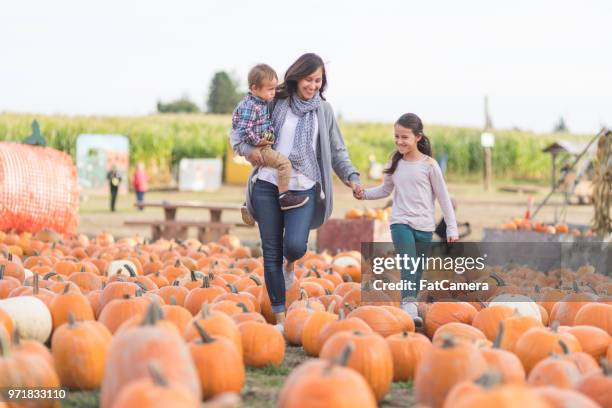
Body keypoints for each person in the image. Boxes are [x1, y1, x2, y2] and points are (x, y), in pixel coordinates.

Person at [230, 53, 362, 332]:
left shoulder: (323, 111)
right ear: (296, 76)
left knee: (295, 246)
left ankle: (291, 263)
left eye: (318, 81)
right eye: (308, 79)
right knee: (271, 252)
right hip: (267, 182)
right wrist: (250, 152)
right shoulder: (275, 100)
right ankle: (279, 317)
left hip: (304, 186)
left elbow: (337, 150)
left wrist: (351, 176)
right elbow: (239, 132)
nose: (313, 85)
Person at [354, 113, 458, 325]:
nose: (399, 141)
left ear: (418, 137)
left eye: (404, 137)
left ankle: (408, 307)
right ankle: (408, 305)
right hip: (400, 222)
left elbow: (444, 198)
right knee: (408, 264)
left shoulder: (430, 165)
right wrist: (364, 193)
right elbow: (385, 190)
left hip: (425, 226)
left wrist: (451, 228)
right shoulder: (396, 162)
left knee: (417, 269)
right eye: (396, 136)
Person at [233, 64, 308, 225]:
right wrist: (257, 142)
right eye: (270, 89)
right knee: (284, 164)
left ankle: (249, 203)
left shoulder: (261, 102)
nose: (273, 93)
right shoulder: (250, 106)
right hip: (261, 147)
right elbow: (243, 130)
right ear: (254, 88)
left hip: (264, 143)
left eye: (274, 88)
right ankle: (284, 196)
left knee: (257, 173)